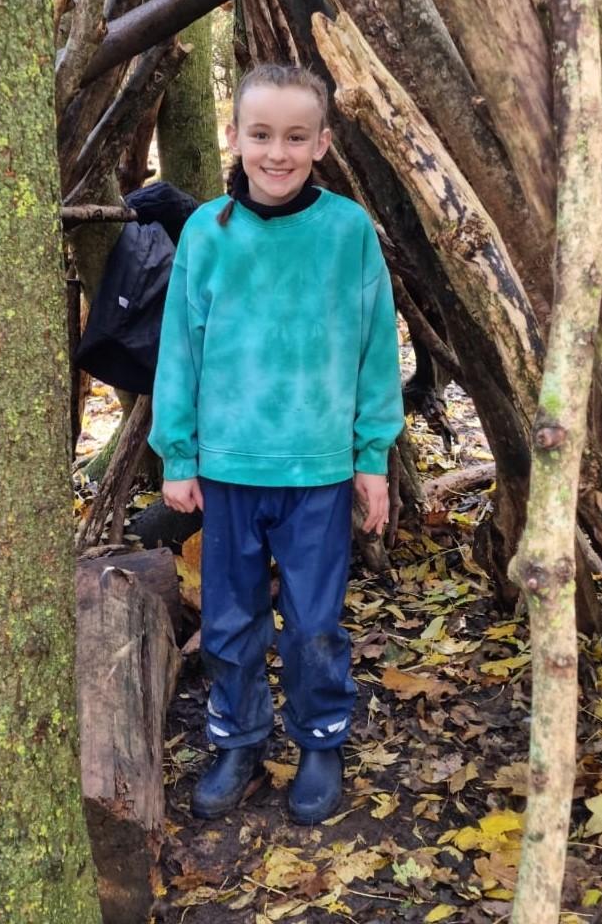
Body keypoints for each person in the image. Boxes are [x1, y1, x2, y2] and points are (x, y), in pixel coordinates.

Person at [148, 63, 404, 825]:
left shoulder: (347, 232)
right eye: (261, 135)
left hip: (317, 470)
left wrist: (371, 459)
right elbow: (179, 349)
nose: (277, 152)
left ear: (322, 142)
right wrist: (178, 455)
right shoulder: (206, 232)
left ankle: (320, 742)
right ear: (235, 137)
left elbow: (374, 351)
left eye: (296, 137)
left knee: (315, 620)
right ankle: (237, 740)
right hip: (228, 469)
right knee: (228, 619)